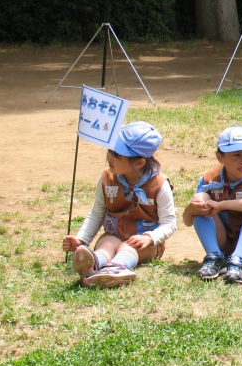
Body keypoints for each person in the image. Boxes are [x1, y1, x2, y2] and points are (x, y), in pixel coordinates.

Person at [63, 121, 175, 289]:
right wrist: (81, 240)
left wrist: (149, 238)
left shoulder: (159, 184)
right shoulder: (106, 179)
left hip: (145, 245)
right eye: (109, 151)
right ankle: (94, 262)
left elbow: (169, 223)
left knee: (127, 247)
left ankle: (118, 267)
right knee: (107, 244)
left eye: (116, 155)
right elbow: (96, 213)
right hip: (114, 234)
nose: (109, 157)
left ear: (139, 163)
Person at [184, 126, 242, 284]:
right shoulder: (209, 179)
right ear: (220, 157)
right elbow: (187, 221)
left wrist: (221, 205)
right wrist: (192, 209)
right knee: (201, 201)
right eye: (237, 155)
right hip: (223, 241)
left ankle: (238, 260)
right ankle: (215, 256)